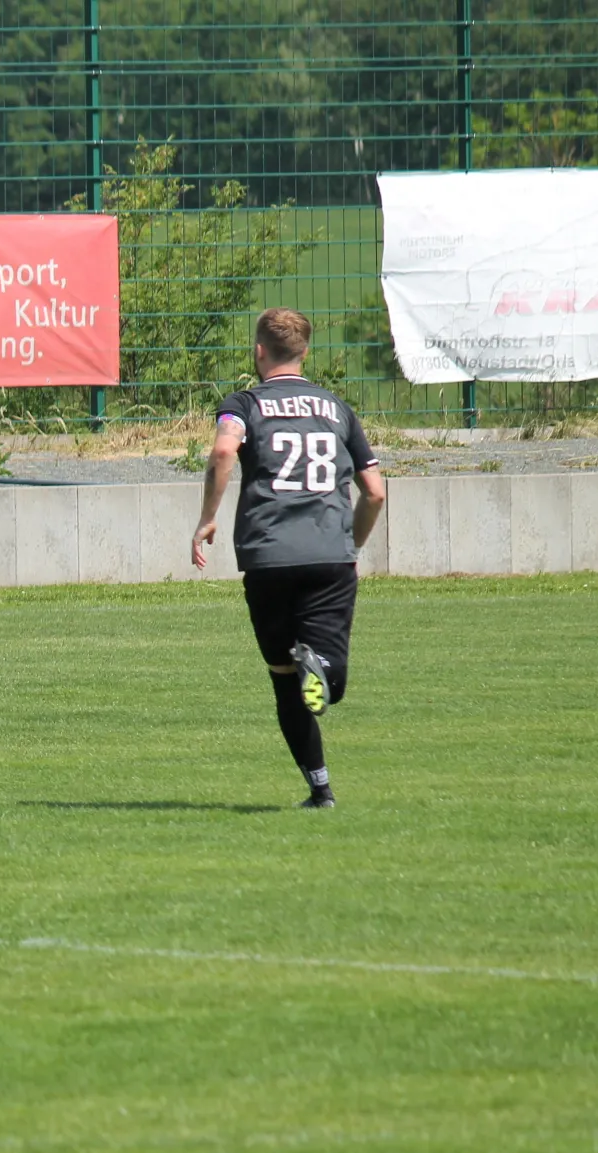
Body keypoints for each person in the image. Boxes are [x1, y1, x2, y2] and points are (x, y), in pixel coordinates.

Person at [193, 307, 386, 809]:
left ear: (259, 351)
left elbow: (223, 452)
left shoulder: (243, 404)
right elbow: (375, 491)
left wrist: (207, 517)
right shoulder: (337, 408)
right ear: (305, 352)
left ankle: (320, 788)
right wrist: (351, 544)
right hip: (328, 557)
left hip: (267, 556)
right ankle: (321, 668)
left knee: (284, 677)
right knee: (327, 679)